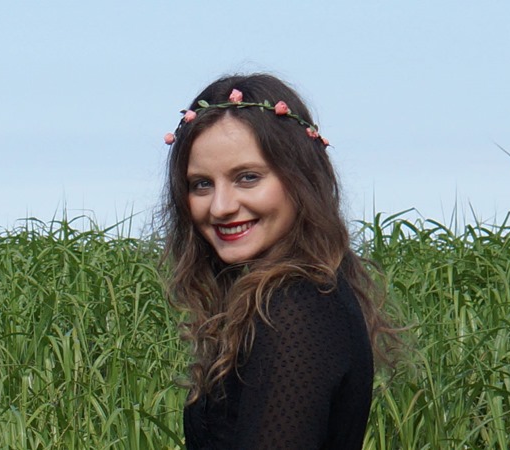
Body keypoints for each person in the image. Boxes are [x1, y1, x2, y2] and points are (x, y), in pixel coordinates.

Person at [161, 73, 396, 449]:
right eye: (201, 184)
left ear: (300, 178)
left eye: (248, 177)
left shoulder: (295, 308)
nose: (221, 207)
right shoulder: (299, 297)